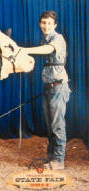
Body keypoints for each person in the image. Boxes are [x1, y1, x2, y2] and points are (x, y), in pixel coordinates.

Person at [22, 10, 71, 169]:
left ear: (55, 25)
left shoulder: (58, 38)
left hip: (58, 88)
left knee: (57, 125)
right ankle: (52, 157)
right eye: (43, 22)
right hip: (49, 88)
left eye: (49, 23)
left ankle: (58, 161)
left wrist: (25, 50)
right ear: (39, 24)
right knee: (50, 125)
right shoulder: (44, 39)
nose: (46, 26)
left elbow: (47, 50)